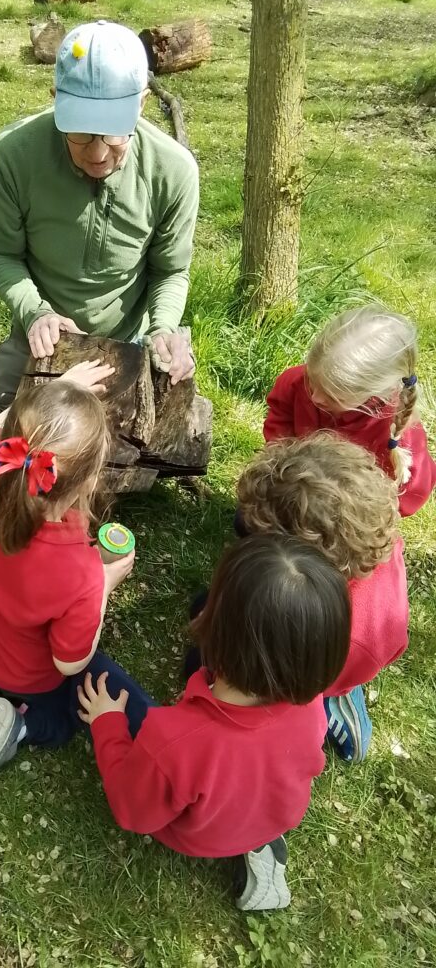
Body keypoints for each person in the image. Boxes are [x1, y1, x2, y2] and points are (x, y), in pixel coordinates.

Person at [78, 534, 351, 912]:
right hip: (268, 819)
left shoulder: (173, 739)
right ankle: (259, 847)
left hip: (194, 834)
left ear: (213, 625)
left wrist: (107, 723)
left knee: (100, 676)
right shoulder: (313, 708)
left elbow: (132, 809)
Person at [0, 361, 158, 802]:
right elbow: (69, 663)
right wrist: (104, 583)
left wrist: (57, 390)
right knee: (69, 715)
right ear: (91, 480)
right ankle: (20, 726)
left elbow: (2, 426)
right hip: (29, 678)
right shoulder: (79, 573)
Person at [0, 20, 200, 420]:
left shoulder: (173, 169)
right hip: (40, 340)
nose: (97, 153)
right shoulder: (14, 154)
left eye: (114, 134)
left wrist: (163, 329)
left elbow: (171, 271)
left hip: (127, 343)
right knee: (18, 446)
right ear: (56, 100)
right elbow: (0, 254)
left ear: (142, 104)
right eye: (80, 133)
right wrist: (35, 311)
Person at [237, 433, 407, 764]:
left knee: (302, 696)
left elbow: (291, 682)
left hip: (338, 666)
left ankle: (339, 703)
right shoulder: (368, 528)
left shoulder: (345, 637)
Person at [264, 305, 436, 516]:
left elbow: (412, 491)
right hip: (296, 486)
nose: (316, 397)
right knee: (245, 521)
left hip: (350, 514)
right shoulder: (295, 382)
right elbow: (279, 420)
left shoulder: (395, 428)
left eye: (333, 395)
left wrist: (360, 506)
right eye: (312, 381)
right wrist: (286, 463)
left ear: (373, 394)